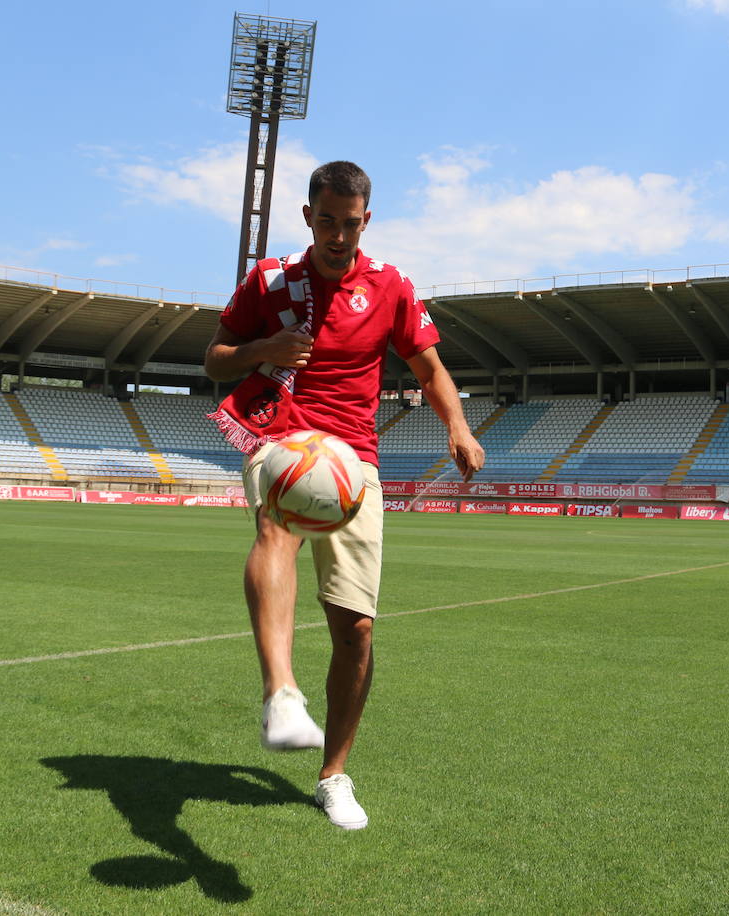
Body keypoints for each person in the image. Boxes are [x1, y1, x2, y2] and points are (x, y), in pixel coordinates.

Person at [204, 160, 486, 830]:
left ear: (367, 221)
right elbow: (216, 357)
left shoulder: (389, 286)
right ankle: (280, 692)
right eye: (326, 221)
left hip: (354, 459)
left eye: (350, 223)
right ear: (308, 217)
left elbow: (430, 367)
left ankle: (334, 774)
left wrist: (458, 424)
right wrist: (263, 347)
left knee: (355, 629)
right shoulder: (269, 280)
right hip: (280, 434)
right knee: (276, 529)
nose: (337, 235)